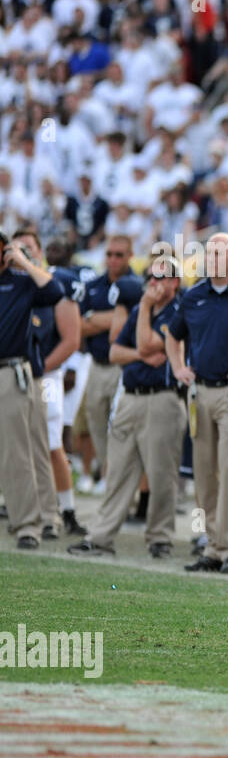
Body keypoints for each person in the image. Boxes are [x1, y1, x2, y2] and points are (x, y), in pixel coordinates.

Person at [68, 256, 186, 558]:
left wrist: (145, 310)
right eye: (151, 277)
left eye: (161, 278)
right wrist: (140, 352)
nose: (153, 284)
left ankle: (159, 537)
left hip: (163, 397)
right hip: (131, 396)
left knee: (162, 474)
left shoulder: (177, 311)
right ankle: (101, 536)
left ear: (175, 281)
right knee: (118, 470)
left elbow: (148, 344)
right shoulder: (137, 311)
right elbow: (116, 351)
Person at [164, 232, 228, 574]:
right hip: (201, 392)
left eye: (222, 252)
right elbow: (172, 334)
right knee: (204, 473)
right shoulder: (194, 295)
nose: (214, 258)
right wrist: (178, 367)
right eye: (210, 252)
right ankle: (213, 545)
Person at [0, 233, 67, 549]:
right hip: (27, 373)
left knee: (32, 447)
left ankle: (34, 521)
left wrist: (25, 263)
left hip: (28, 374)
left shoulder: (23, 281)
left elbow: (56, 292)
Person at [17, 229, 82, 539]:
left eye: (28, 248)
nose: (23, 254)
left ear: (39, 251)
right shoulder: (12, 283)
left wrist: (40, 369)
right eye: (17, 249)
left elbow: (71, 340)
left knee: (51, 443)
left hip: (46, 374)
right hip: (15, 374)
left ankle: (64, 510)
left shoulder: (56, 284)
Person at [78, 233, 142, 491]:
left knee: (121, 426)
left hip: (123, 366)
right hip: (96, 364)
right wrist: (116, 316)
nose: (113, 260)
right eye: (109, 254)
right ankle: (108, 474)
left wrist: (97, 319)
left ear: (130, 256)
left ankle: (122, 481)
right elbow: (78, 326)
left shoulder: (137, 286)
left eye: (119, 254)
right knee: (95, 421)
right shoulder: (93, 285)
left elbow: (134, 324)